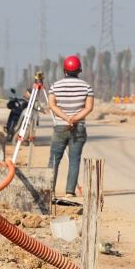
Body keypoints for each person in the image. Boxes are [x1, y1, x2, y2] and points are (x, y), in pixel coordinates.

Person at [48, 55, 94, 197]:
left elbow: (52, 105)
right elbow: (89, 108)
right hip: (78, 126)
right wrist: (74, 118)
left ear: (64, 70)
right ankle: (69, 192)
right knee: (74, 160)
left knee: (54, 159)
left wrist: (65, 118)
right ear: (79, 70)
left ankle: (48, 190)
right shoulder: (87, 87)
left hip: (60, 127)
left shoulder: (55, 86)